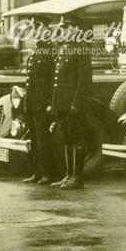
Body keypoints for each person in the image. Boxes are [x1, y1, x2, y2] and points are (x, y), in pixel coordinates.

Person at [47, 15, 91, 190]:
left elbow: (84, 81)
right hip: (63, 104)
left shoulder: (81, 49)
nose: (63, 31)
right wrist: (54, 103)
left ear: (77, 29)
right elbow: (57, 80)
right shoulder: (64, 48)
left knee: (78, 138)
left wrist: (76, 104)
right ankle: (68, 174)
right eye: (62, 28)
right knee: (67, 138)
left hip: (74, 104)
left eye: (66, 28)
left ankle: (77, 177)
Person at [22, 16, 58, 185]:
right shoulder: (36, 49)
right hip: (32, 101)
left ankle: (47, 173)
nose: (34, 30)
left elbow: (53, 80)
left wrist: (51, 102)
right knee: (35, 139)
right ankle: (36, 171)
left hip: (42, 102)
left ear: (46, 29)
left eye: (37, 26)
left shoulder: (50, 50)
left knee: (44, 139)